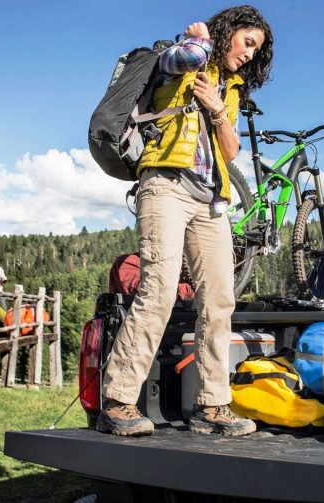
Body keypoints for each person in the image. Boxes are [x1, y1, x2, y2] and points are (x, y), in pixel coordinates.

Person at [98, 5, 273, 437]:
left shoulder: (230, 88)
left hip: (211, 199)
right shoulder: (182, 56)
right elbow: (182, 60)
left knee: (218, 300)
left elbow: (229, 152)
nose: (250, 55)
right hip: (166, 185)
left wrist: (216, 107)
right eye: (247, 43)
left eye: (258, 50)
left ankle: (212, 407)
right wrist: (200, 39)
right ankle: (118, 400)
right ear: (228, 34)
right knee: (157, 291)